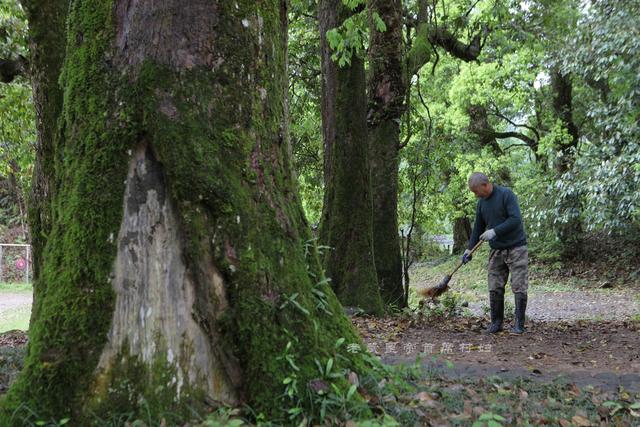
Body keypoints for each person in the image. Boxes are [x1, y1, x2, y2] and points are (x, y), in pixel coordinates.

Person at [462, 172, 528, 334]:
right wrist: (469, 249)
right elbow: (478, 227)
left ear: (485, 185)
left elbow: (515, 220)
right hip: (496, 250)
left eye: (476, 191)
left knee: (519, 285)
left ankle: (519, 325)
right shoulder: (481, 204)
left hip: (516, 247)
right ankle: (496, 323)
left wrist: (494, 231)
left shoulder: (506, 195)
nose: (475, 195)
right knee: (494, 286)